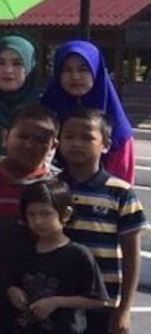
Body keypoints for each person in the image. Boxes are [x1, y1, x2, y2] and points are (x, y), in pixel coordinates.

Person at [54, 108, 144, 332]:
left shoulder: (120, 193)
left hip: (103, 303)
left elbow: (131, 254)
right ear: (58, 142)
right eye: (69, 137)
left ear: (105, 144)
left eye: (87, 137)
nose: (76, 143)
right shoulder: (51, 188)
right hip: (57, 300)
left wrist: (124, 309)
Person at [0, 106, 57, 333]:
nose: (29, 145)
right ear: (6, 136)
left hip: (33, 293)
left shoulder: (55, 186)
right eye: (22, 136)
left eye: (40, 140)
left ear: (53, 146)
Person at [0, 181, 106, 333]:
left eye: (45, 214)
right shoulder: (23, 250)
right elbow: (10, 281)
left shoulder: (78, 255)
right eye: (32, 214)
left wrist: (57, 302)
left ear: (66, 214)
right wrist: (13, 291)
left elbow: (98, 300)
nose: (38, 221)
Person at [41, 40, 137, 183]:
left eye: (83, 69)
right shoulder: (44, 116)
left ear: (96, 72)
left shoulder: (118, 132)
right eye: (66, 70)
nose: (75, 76)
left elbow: (123, 189)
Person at [0, 36, 43, 158]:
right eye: (0, 63)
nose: (8, 70)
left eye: (17, 63)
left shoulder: (44, 110)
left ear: (30, 68)